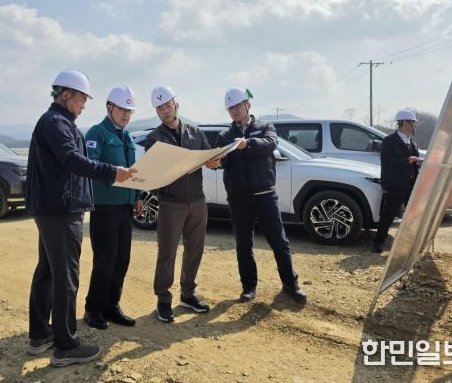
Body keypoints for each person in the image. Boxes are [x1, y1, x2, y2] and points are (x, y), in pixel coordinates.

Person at [26, 70, 136, 367]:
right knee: (65, 276)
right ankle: (65, 346)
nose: (84, 104)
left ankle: (40, 334)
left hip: (53, 208)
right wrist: (113, 172)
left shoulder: (56, 121)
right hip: (61, 210)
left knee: (49, 271)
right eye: (82, 98)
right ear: (66, 94)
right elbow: (74, 161)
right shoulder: (56, 123)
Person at [215, 88, 306, 304]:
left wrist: (248, 143)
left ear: (248, 105)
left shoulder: (265, 127)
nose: (234, 111)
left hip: (265, 195)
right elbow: (222, 161)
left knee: (279, 241)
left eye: (238, 106)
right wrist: (214, 162)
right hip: (238, 198)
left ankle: (291, 284)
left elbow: (270, 144)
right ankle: (248, 287)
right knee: (243, 245)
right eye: (230, 108)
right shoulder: (224, 136)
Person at [145, 85, 218, 323]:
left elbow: (209, 157)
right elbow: (152, 173)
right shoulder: (154, 138)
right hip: (171, 203)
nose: (165, 111)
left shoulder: (195, 132)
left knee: (195, 249)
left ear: (176, 105)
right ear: (156, 111)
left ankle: (188, 294)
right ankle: (163, 300)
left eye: (168, 105)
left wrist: (214, 162)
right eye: (160, 108)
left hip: (197, 200)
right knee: (167, 252)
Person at [83, 86, 143, 330]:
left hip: (125, 206)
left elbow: (133, 170)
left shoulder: (126, 136)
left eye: (130, 111)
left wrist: (137, 196)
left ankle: (111, 305)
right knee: (105, 261)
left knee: (121, 260)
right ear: (109, 108)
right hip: (105, 206)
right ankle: (93, 309)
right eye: (122, 109)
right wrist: (113, 174)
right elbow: (90, 165)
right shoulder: (97, 133)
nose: (126, 115)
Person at [373, 109, 422, 253]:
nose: (415, 125)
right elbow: (387, 161)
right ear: (404, 122)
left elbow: (412, 162)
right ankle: (379, 242)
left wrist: (417, 162)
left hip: (411, 183)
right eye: (413, 122)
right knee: (389, 213)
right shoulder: (389, 141)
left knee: (413, 215)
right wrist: (407, 161)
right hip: (396, 184)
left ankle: (410, 243)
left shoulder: (412, 141)